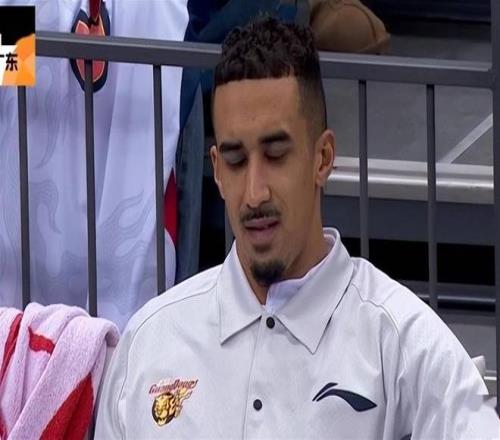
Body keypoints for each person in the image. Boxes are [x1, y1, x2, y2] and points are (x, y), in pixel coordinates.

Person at [95, 18, 498, 439]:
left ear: (323, 158)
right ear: (217, 170)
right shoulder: (149, 342)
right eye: (236, 160)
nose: (255, 193)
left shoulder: (405, 344)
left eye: (275, 155)